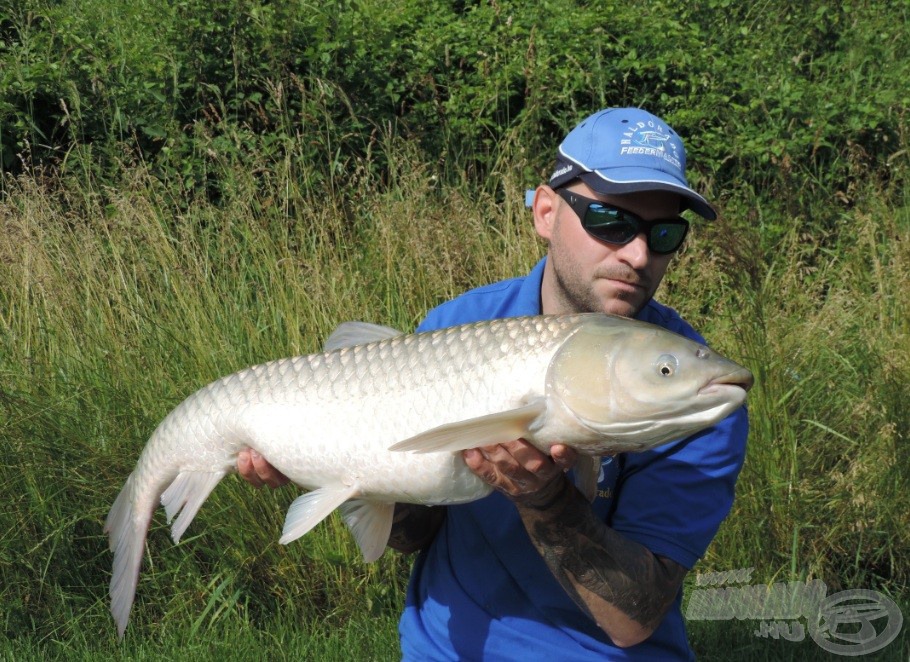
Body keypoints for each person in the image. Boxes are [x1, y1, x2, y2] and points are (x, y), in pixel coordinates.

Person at [237, 107, 749, 660]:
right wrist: (320, 460)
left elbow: (635, 617)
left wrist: (548, 501)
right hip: (448, 649)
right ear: (547, 213)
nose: (638, 254)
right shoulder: (456, 326)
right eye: (610, 221)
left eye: (666, 233)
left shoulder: (697, 396)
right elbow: (415, 536)